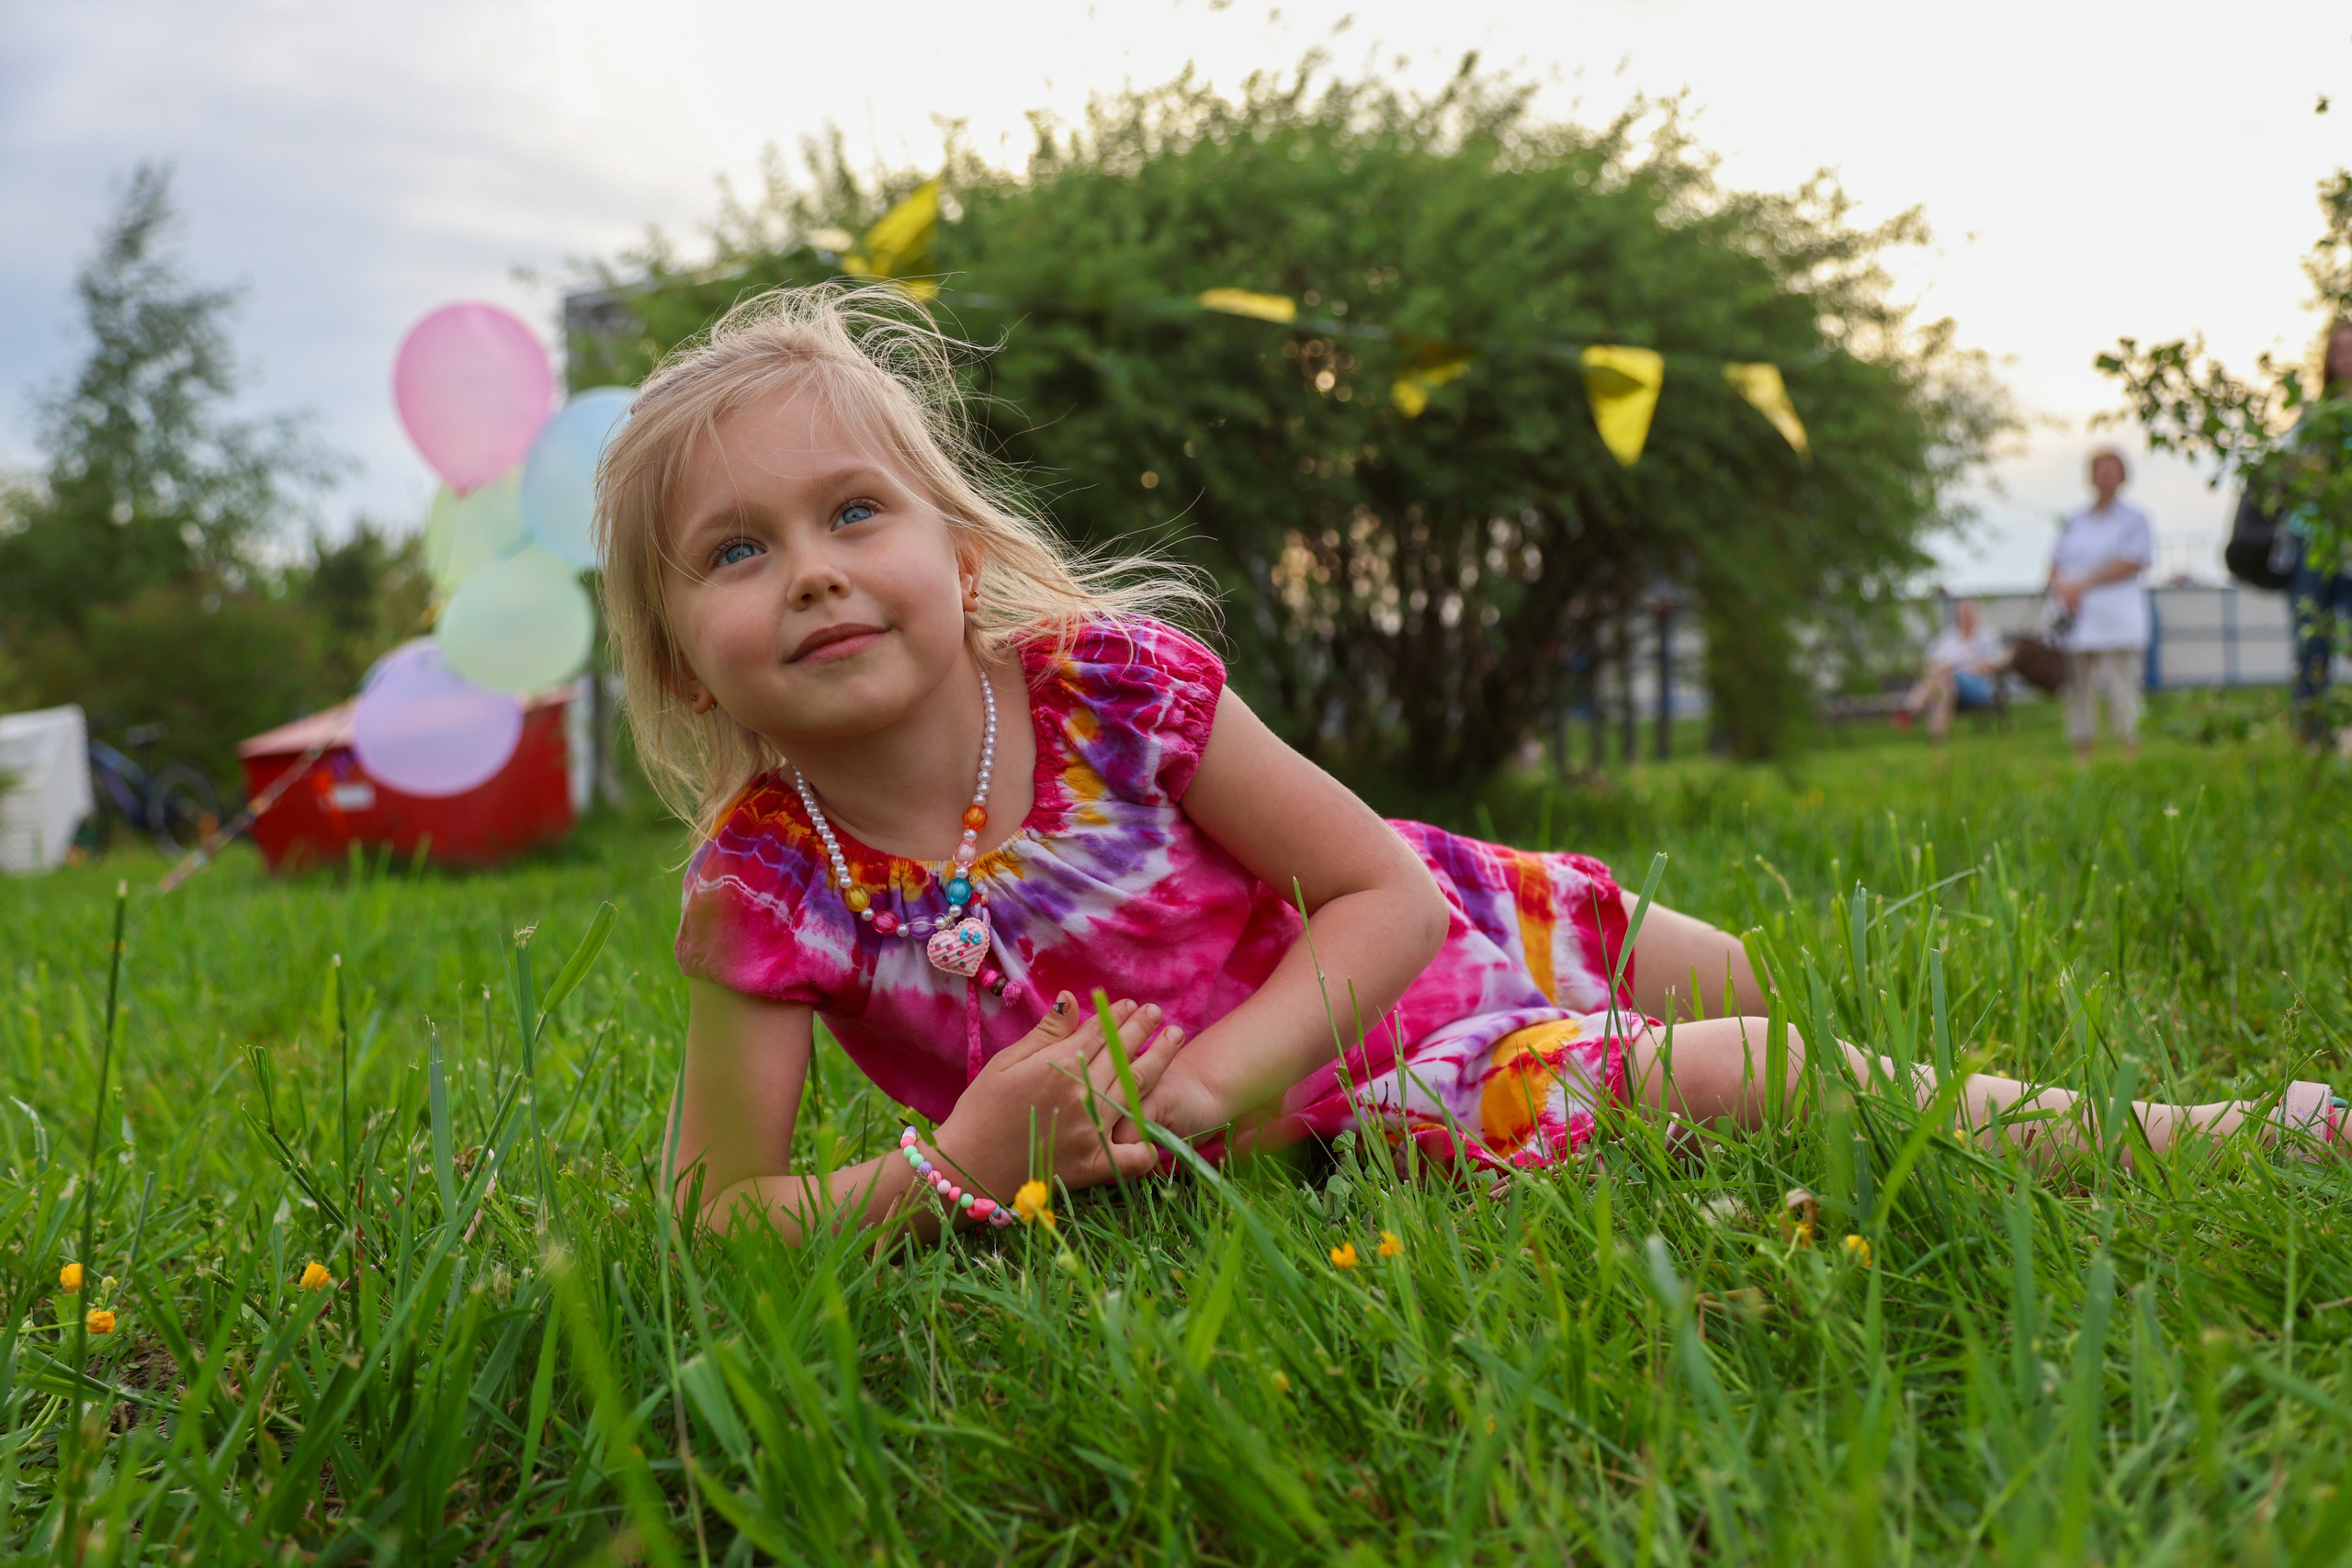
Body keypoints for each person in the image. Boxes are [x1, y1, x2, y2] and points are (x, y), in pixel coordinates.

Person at [597, 284, 2346, 1244]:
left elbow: (1369, 889)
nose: (813, 567)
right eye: (735, 552)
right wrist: (965, 1157)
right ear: (683, 653)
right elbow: (715, 1217)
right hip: (1366, 1091)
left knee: (1733, 969)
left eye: (851, 511)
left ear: (958, 554)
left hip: (1416, 921)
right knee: (1748, 1062)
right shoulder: (766, 889)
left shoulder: (1109, 693)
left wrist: (1207, 1081)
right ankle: (2198, 1136)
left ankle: (1931, 1093)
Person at [2047, 448, 2154, 762]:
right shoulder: (2073, 520)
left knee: (2122, 684)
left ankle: (2128, 748)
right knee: (2079, 685)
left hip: (2116, 616)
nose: (2105, 476)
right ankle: (2083, 751)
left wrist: (2083, 584)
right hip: (2077, 615)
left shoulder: (2134, 519)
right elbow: (2055, 562)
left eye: (2112, 470)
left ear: (2122, 475)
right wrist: (2063, 588)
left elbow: (2134, 561)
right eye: (2100, 470)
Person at [2287, 318, 2352, 749]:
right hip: (2314, 546)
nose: (2346, 358)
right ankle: (2313, 741)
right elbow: (2288, 474)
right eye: (2339, 350)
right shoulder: (2311, 417)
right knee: (2312, 644)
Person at [1898, 597, 2006, 743]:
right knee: (1943, 685)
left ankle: (1911, 708)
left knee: (1942, 675)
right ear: (1958, 616)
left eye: (1969, 612)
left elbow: (1997, 662)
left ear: (1976, 614)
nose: (1966, 616)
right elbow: (1933, 660)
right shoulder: (1949, 638)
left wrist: (1971, 664)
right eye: (1963, 613)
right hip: (1949, 684)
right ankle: (1937, 736)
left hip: (1977, 686)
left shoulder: (1987, 636)